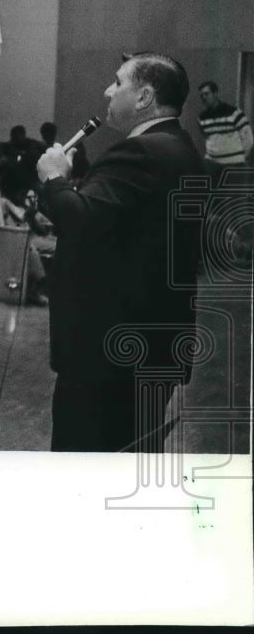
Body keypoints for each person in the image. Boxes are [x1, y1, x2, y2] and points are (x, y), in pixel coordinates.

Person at [36, 51, 204, 453]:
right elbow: (113, 228)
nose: (107, 90)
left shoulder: (141, 153)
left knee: (86, 469)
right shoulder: (181, 149)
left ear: (144, 96)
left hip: (108, 355)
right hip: (149, 346)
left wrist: (54, 178)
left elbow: (79, 222)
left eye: (117, 82)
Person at [197, 80, 252, 179]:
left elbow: (248, 139)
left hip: (234, 164)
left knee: (232, 194)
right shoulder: (202, 118)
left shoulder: (234, 113)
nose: (204, 98)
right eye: (201, 96)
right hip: (212, 164)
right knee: (207, 191)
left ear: (215, 93)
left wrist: (239, 157)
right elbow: (207, 139)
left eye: (206, 94)